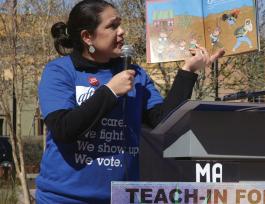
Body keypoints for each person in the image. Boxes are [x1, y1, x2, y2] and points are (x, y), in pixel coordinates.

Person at [36, 0, 224, 203]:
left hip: (122, 197)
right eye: (112, 26)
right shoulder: (60, 71)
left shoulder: (136, 74)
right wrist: (109, 92)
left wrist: (188, 71)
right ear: (87, 37)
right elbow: (64, 129)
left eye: (120, 24)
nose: (122, 31)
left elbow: (163, 122)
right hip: (64, 198)